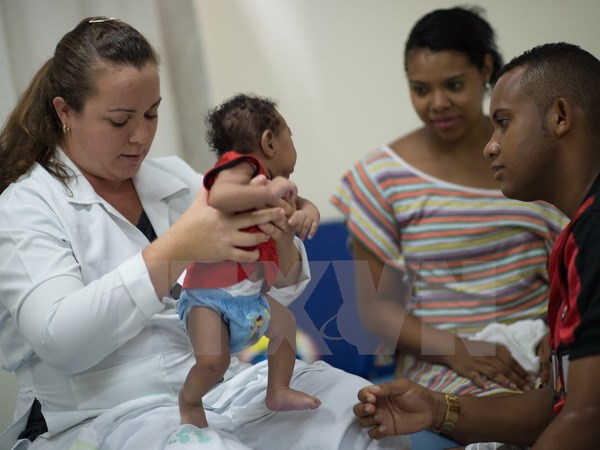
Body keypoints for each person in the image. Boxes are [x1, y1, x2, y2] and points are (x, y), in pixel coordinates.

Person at [0, 16, 410, 450]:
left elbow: (279, 291)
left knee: (360, 417)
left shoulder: (175, 179)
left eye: (152, 113)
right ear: (65, 111)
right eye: (120, 120)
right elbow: (61, 341)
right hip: (108, 413)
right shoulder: (25, 208)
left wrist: (282, 238)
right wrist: (177, 249)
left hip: (225, 386)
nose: (141, 136)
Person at [354, 42, 600, 449]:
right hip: (455, 365)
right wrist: (440, 401)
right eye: (420, 89)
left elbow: (586, 417)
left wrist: (549, 339)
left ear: (559, 117)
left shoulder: (582, 230)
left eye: (503, 122)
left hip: (521, 361)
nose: (490, 144)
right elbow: (563, 405)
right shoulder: (381, 182)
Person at [331, 6, 567, 396]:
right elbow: (375, 312)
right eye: (421, 89)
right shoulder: (382, 176)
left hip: (547, 343)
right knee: (504, 413)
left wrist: (558, 332)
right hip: (443, 364)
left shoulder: (536, 159)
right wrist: (458, 350)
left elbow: (578, 269)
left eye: (454, 85)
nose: (437, 103)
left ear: (486, 69)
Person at [178, 93, 321, 429]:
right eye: (290, 134)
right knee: (214, 361)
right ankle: (189, 401)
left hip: (249, 296)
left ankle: (278, 389)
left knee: (284, 325)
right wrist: (267, 195)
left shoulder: (278, 187)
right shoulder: (241, 168)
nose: (293, 142)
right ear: (269, 142)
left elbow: (304, 203)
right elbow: (220, 196)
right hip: (208, 295)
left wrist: (308, 214)